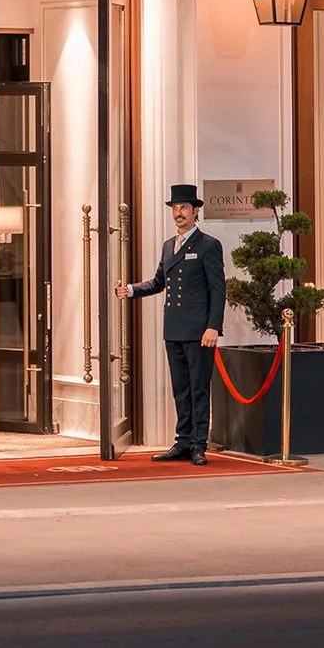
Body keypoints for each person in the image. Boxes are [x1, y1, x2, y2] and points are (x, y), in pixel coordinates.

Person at [117, 182, 224, 463]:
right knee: (180, 389)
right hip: (174, 329)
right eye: (175, 208)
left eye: (184, 208)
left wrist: (214, 326)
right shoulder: (168, 246)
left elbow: (218, 290)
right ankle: (182, 442)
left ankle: (199, 444)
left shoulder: (209, 245)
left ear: (195, 211)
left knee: (199, 389)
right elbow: (158, 282)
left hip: (200, 331)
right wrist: (130, 290)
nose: (179, 213)